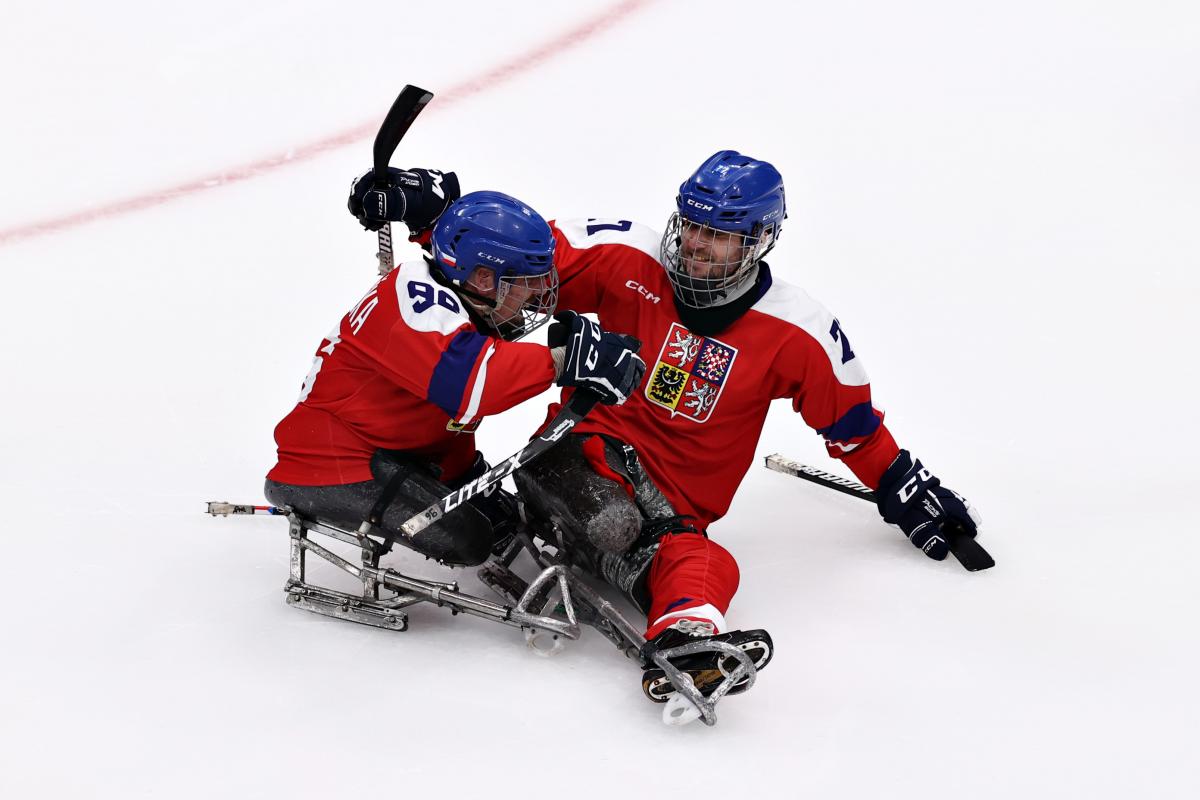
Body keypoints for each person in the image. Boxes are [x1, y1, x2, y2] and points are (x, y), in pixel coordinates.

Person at [348, 153, 983, 706]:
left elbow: (853, 428)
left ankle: (686, 641)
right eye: (693, 226)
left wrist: (903, 486)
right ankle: (558, 509)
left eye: (720, 236)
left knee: (706, 560)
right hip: (578, 448)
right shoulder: (627, 255)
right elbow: (515, 262)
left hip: (672, 511)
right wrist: (435, 214)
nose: (697, 245)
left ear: (760, 239)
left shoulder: (800, 331)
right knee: (608, 514)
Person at [266, 170, 645, 566]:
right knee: (471, 540)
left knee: (504, 522)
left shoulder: (460, 286)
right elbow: (473, 382)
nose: (536, 293)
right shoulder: (416, 302)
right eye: (526, 281)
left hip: (409, 447)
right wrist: (565, 361)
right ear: (482, 278)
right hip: (333, 461)